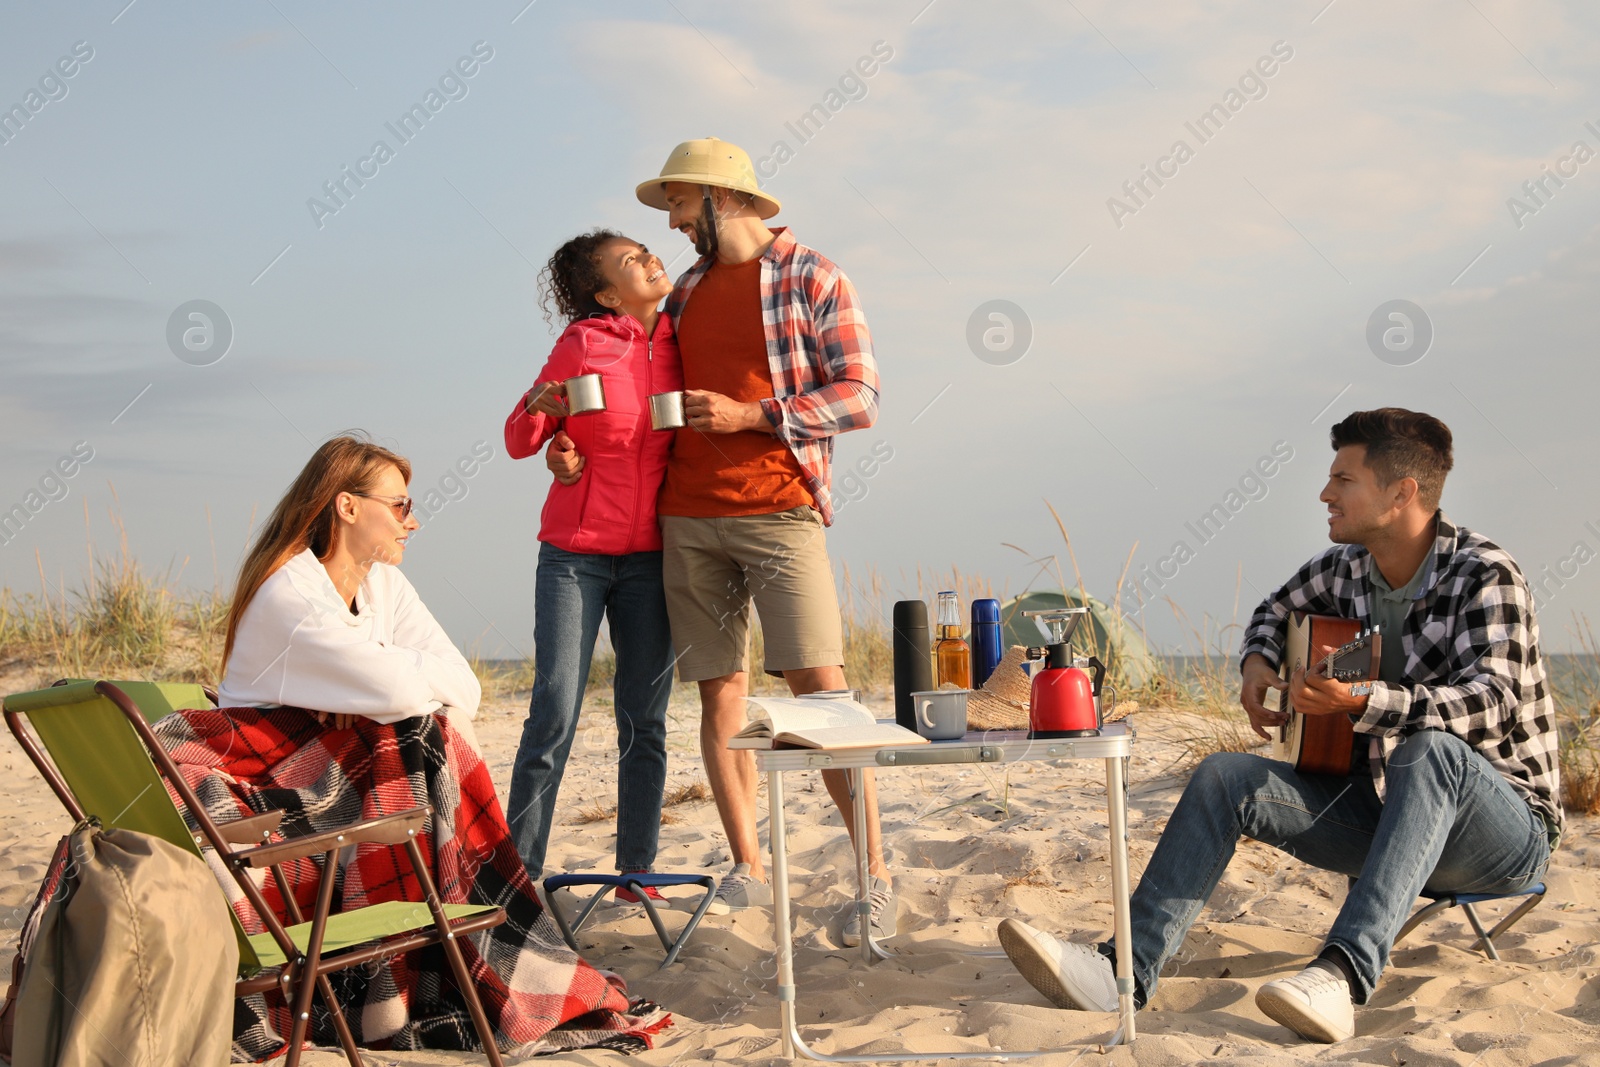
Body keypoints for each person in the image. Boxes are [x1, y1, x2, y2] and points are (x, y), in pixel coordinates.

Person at [999, 408, 1561, 1044]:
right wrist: (1259, 660)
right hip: (1386, 818)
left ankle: (1343, 978)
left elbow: (1493, 705)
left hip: (1503, 830)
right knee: (1224, 776)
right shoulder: (1345, 567)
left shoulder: (1485, 574)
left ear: (1403, 493)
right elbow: (1274, 609)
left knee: (1431, 749)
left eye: (1343, 479)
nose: (1325, 494)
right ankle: (1121, 970)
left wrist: (1360, 700)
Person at [179, 436, 666, 1056]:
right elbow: (401, 691)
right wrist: (387, 686)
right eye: (401, 505)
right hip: (274, 793)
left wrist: (377, 682)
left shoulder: (383, 586)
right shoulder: (291, 593)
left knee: (423, 729)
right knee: (421, 733)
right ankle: (459, 957)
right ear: (348, 507)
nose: (415, 519)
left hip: (332, 787)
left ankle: (455, 959)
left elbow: (463, 683)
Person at [547, 137, 892, 944]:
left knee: (823, 693)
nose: (669, 224)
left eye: (676, 205)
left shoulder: (814, 276)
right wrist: (569, 444)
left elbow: (862, 393)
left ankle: (873, 871)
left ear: (720, 198)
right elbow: (629, 391)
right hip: (686, 518)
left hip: (779, 509)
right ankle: (749, 865)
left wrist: (754, 415)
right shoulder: (687, 293)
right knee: (718, 693)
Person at [503, 230, 680, 898]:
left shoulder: (679, 342)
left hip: (650, 558)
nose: (651, 259)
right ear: (606, 293)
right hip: (574, 557)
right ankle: (520, 874)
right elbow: (522, 438)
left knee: (646, 718)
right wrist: (547, 425)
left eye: (647, 250)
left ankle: (638, 872)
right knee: (553, 710)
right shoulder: (582, 344)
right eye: (632, 260)